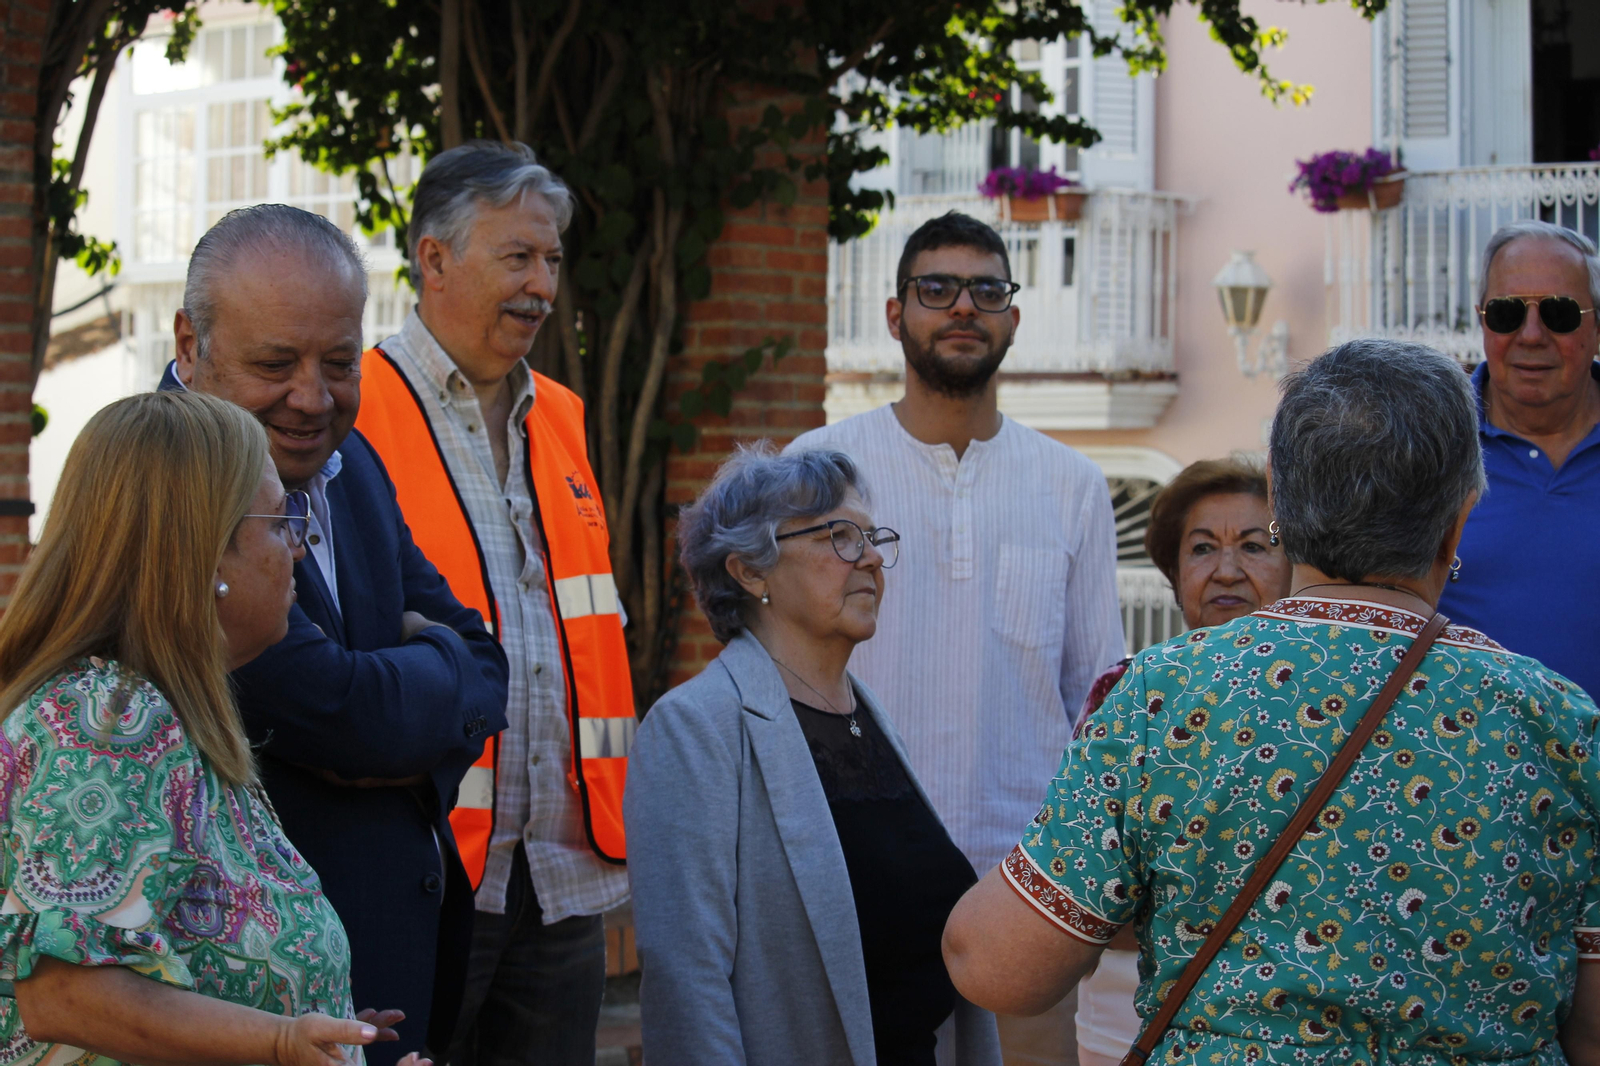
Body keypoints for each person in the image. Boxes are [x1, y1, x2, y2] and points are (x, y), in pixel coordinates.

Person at [943, 338, 1600, 1066]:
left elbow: (993, 964)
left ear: (1280, 504)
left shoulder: (1166, 694)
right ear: (1460, 517)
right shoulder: (1562, 724)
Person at [162, 205, 511, 1064]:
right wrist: (423, 677)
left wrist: (417, 678)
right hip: (253, 1018)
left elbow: (487, 666)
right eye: (275, 363)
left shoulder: (346, 469)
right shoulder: (165, 490)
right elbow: (347, 716)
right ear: (189, 343)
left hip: (381, 989)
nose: (313, 398)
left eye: (341, 363)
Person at [789, 209, 1124, 1060]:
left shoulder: (1072, 485)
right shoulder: (821, 471)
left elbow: (1097, 703)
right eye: (936, 289)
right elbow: (780, 678)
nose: (963, 307)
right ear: (896, 315)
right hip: (857, 868)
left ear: (1014, 316)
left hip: (1025, 889)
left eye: (986, 289)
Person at [0, 391, 422, 1066]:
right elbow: (65, 994)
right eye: (280, 518)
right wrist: (280, 1042)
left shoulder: (163, 715)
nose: (298, 547)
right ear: (201, 551)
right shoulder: (105, 721)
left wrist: (317, 1026)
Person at [357, 141, 634, 1066]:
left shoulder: (558, 411)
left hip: (561, 873)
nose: (543, 285)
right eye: (518, 257)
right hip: (427, 869)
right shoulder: (353, 407)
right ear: (434, 258)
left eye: (552, 260)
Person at [626, 445, 1001, 1066]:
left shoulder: (867, 719)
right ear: (750, 571)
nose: (875, 559)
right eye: (842, 537)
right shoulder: (695, 730)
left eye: (874, 538)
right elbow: (687, 986)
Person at [1073, 458, 1291, 1066]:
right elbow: (1086, 879)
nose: (1226, 570)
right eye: (1202, 549)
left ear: (1298, 567)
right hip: (1129, 1013)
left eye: (1255, 546)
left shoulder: (1327, 699)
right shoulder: (1126, 695)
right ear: (1174, 575)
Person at [1438, 220, 1600, 697]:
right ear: (1482, 319)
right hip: (1465, 763)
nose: (1532, 335)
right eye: (1507, 313)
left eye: (1560, 313)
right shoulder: (1425, 444)